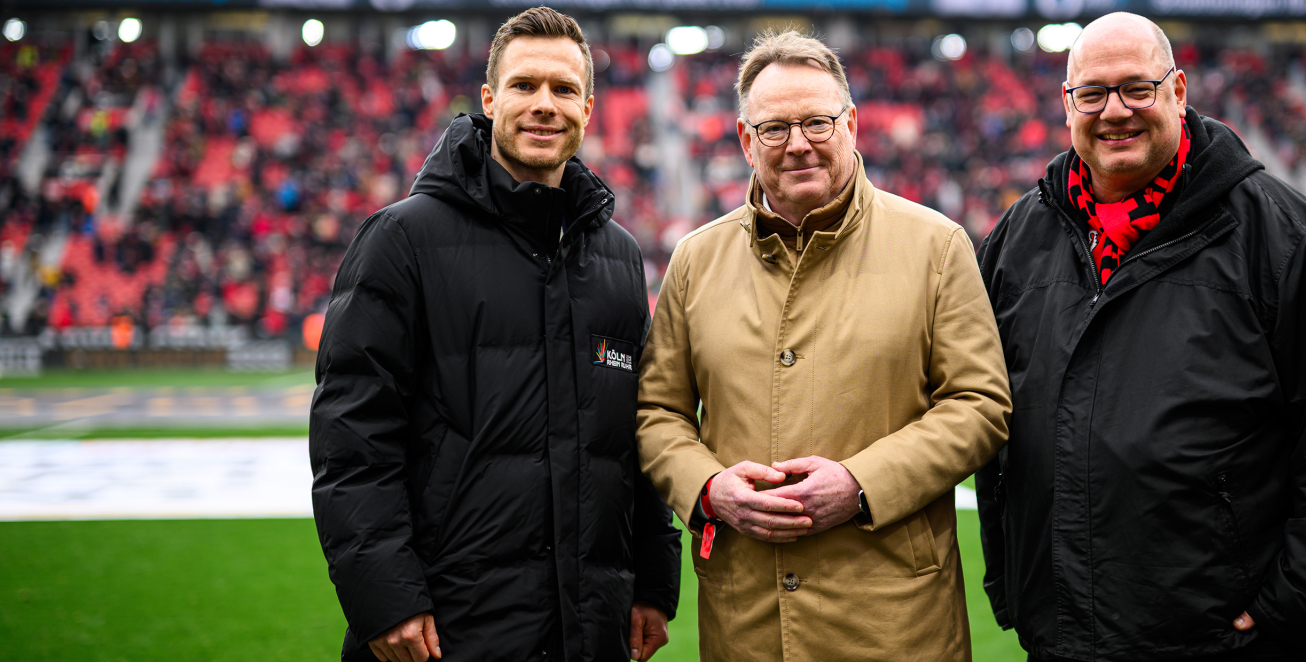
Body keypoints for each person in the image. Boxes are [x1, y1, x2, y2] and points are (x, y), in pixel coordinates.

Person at [975, 13, 1306, 662]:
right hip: (1059, 637)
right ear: (1066, 107)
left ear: (1178, 91)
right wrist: (1012, 586)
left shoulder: (1287, 238)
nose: (1114, 111)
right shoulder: (1017, 240)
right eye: (1092, 94)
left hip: (1225, 644)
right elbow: (984, 418)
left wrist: (1293, 609)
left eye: (1136, 88)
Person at [310, 8, 679, 662]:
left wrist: (653, 582)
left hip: (590, 627)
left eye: (564, 90)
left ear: (589, 109)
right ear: (488, 99)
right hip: (448, 628)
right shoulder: (402, 240)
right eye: (524, 85)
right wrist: (385, 595)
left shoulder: (619, 256)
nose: (544, 105)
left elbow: (636, 438)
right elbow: (353, 437)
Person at [634, 30, 1011, 662]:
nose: (799, 144)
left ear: (853, 125)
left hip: (897, 624)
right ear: (745, 140)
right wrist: (707, 488)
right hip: (745, 624)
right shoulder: (696, 260)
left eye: (817, 122)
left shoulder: (936, 246)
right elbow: (657, 414)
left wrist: (862, 483)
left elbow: (980, 404)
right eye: (776, 128)